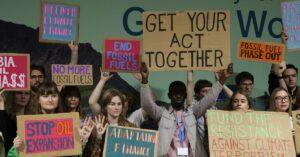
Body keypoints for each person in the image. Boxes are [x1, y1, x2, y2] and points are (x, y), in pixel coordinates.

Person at [140, 62, 231, 157]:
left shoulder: (193, 111)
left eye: (181, 92)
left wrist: (222, 79)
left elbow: (209, 99)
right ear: (169, 95)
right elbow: (147, 104)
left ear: (185, 95)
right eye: (175, 93)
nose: (178, 95)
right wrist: (144, 81)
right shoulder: (162, 113)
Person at [84, 88, 135, 157]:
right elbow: (90, 154)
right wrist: (98, 138)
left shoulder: (131, 127)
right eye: (112, 104)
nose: (116, 107)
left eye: (119, 104)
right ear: (105, 106)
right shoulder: (97, 128)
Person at [0, 90, 32, 156]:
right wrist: (1, 103)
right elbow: (4, 136)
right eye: (19, 93)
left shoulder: (32, 116)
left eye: (27, 93)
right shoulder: (5, 116)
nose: (23, 97)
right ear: (12, 95)